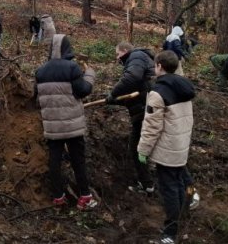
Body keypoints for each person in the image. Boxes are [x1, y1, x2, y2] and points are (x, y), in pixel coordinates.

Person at [137, 50, 196, 244]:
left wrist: (143, 150)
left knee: (169, 189)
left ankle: (170, 233)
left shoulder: (157, 92)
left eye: (155, 65)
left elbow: (151, 127)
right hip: (181, 145)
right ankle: (182, 215)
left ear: (159, 66)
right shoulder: (185, 86)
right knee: (179, 183)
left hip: (167, 149)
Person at [35, 34, 98, 210]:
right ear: (67, 48)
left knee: (54, 161)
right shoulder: (72, 68)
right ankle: (84, 197)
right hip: (72, 126)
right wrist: (90, 74)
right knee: (78, 160)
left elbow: (37, 97)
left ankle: (58, 197)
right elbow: (84, 90)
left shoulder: (40, 71)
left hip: (52, 127)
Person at [105, 42, 156, 195]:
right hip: (143, 109)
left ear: (125, 50)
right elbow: (134, 92)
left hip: (146, 111)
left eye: (117, 53)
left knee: (136, 148)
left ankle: (147, 184)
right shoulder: (136, 60)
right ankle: (148, 182)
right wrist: (114, 100)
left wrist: (113, 94)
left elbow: (131, 79)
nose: (117, 57)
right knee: (138, 148)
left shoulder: (136, 56)